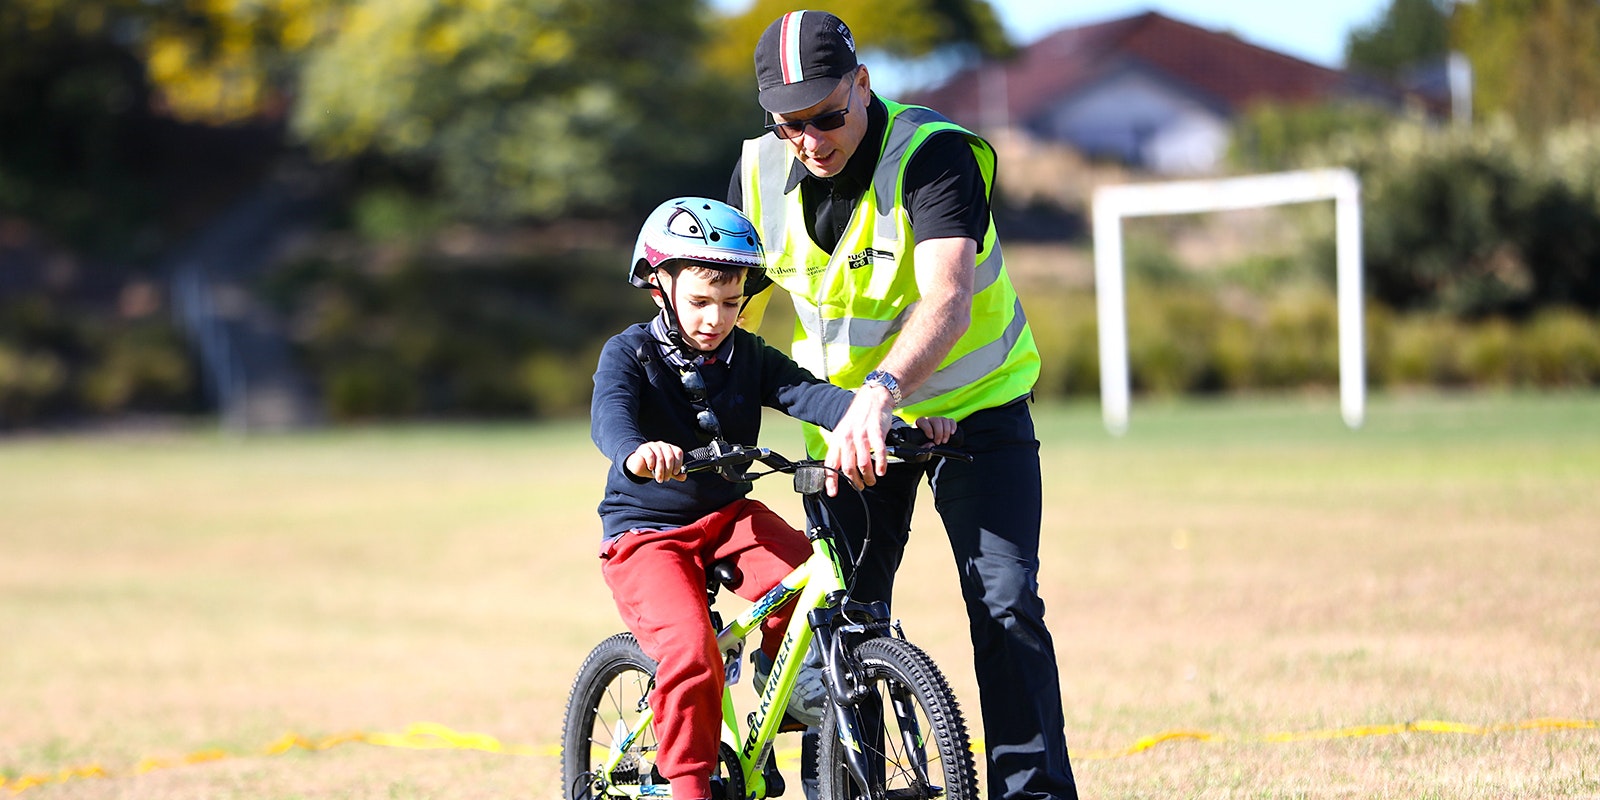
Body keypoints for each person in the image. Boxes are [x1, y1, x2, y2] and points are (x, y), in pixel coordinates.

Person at [728, 11, 1080, 800]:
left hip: (974, 413)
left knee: (1006, 605)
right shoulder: (755, 174)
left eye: (827, 115)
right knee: (843, 619)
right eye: (791, 124)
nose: (812, 139)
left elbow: (949, 298)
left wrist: (884, 395)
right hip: (847, 428)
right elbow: (732, 330)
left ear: (862, 83)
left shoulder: (933, 154)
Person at [590, 196, 954, 800]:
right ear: (659, 287)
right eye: (701, 301)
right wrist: (637, 451)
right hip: (647, 534)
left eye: (732, 303)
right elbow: (611, 416)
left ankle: (781, 677)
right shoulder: (629, 354)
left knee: (816, 581)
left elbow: (813, 396)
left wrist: (892, 423)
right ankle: (687, 784)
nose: (717, 317)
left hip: (730, 517)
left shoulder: (749, 356)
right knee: (690, 650)